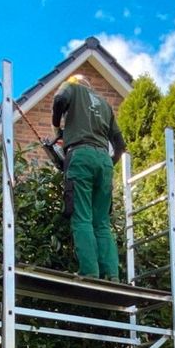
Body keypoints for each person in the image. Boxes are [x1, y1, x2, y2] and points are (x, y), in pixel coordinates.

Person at [51, 74, 126, 281]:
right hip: (104, 161)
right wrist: (107, 163)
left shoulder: (71, 88)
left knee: (81, 216)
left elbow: (59, 100)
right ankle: (112, 275)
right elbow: (120, 146)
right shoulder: (105, 105)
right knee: (101, 221)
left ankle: (90, 272)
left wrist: (57, 128)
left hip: (80, 156)